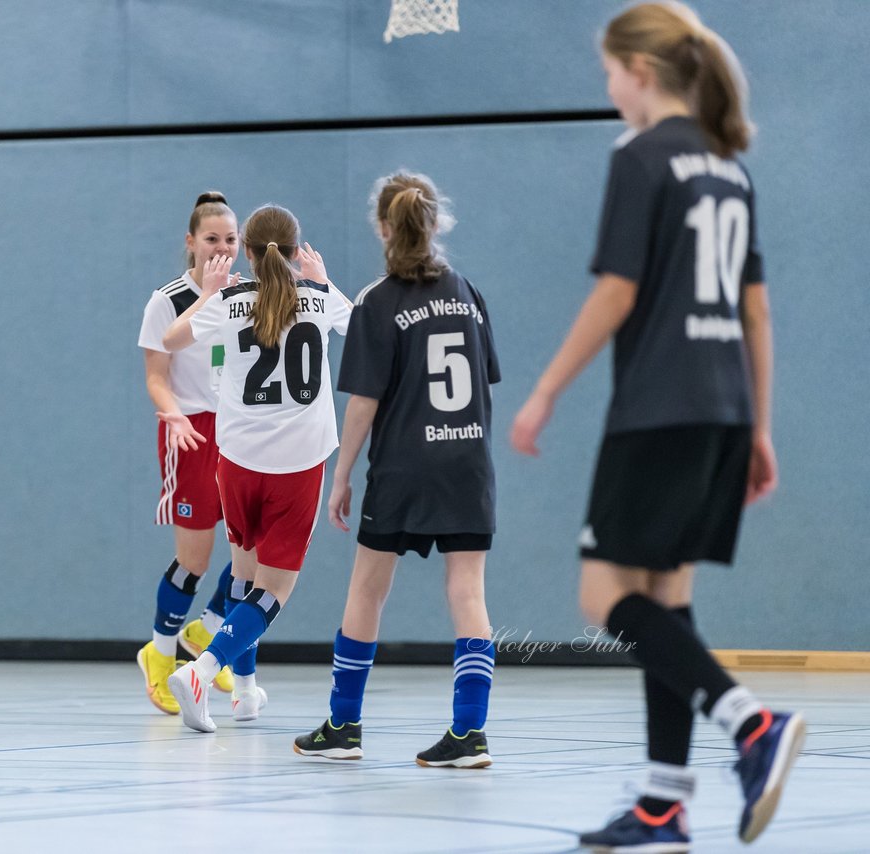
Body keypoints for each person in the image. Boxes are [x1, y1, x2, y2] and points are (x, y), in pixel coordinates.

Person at [509, 4, 803, 850]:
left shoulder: (641, 157)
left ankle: (752, 725)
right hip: (722, 409)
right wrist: (760, 426)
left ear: (639, 70)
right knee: (668, 600)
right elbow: (758, 310)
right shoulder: (730, 168)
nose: (607, 91)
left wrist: (546, 391)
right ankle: (663, 803)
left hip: (658, 409)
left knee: (604, 595)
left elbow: (617, 291)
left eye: (608, 74)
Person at [292, 171, 500, 769]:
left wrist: (341, 474)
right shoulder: (468, 292)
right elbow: (484, 383)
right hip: (467, 464)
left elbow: (363, 402)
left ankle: (345, 724)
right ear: (436, 223)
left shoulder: (377, 302)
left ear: (383, 227)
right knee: (467, 591)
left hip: (405, 467)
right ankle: (469, 735)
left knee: (367, 588)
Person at [161, 204, 351, 733]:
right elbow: (366, 328)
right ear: (296, 252)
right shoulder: (316, 299)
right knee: (275, 589)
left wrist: (208, 291)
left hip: (238, 461)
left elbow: (171, 340)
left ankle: (244, 693)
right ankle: (204, 669)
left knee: (243, 576)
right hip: (297, 464)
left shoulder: (225, 300)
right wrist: (325, 283)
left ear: (245, 250)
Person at [135, 191, 240, 715]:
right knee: (194, 559)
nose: (222, 249)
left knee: (254, 553)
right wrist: (173, 413)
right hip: (190, 431)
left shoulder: (244, 294)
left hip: (242, 432)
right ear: (191, 243)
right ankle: (159, 655)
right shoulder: (168, 300)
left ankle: (208, 634)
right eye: (211, 240)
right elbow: (156, 377)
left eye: (230, 240)